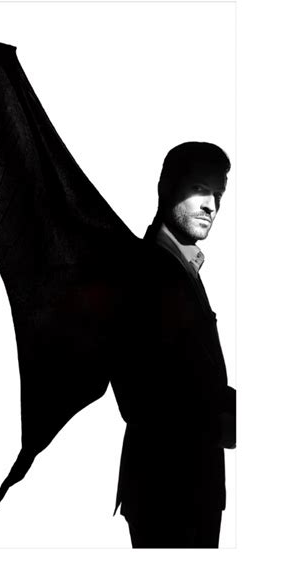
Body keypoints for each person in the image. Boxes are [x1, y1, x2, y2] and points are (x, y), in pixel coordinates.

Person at [111, 142, 236, 548]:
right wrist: (220, 418)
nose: (211, 205)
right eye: (200, 189)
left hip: (195, 486)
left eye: (218, 193)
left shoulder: (183, 265)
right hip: (165, 490)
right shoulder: (143, 269)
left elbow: (196, 373)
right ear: (167, 189)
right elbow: (138, 398)